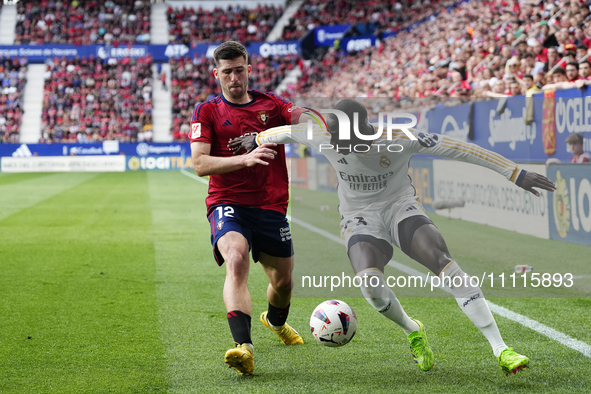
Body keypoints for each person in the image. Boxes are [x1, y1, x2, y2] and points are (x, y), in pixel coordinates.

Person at [230, 99, 556, 375]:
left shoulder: (398, 137)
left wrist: (516, 173)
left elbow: (461, 149)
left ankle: (501, 349)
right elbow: (283, 132)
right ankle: (413, 330)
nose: (340, 147)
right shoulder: (322, 135)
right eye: (336, 140)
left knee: (444, 264)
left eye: (347, 142)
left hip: (401, 209)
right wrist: (257, 139)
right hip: (360, 221)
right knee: (370, 285)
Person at [189, 41, 307, 376]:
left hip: (270, 204)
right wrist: (245, 157)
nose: (234, 76)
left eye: (239, 69)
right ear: (217, 74)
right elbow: (199, 163)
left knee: (283, 282)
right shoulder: (206, 111)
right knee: (236, 259)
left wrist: (312, 120)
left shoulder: (271, 104)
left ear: (249, 70)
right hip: (228, 203)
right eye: (227, 71)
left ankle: (276, 321)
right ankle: (244, 347)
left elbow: (297, 114)